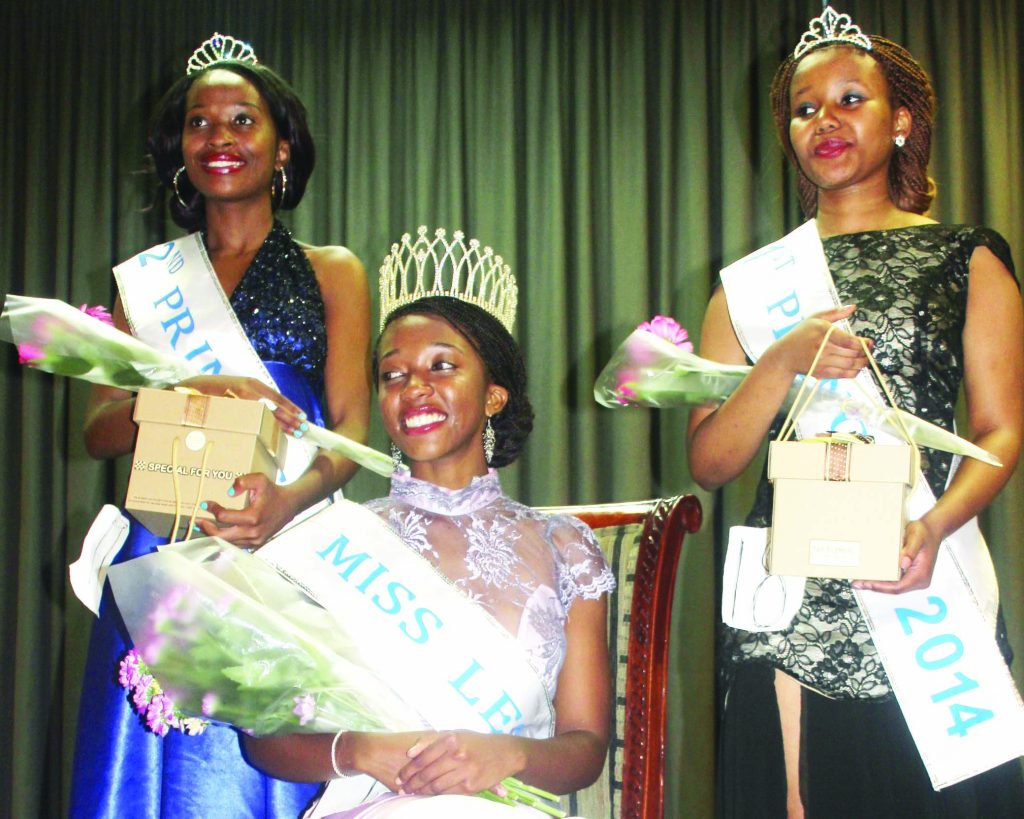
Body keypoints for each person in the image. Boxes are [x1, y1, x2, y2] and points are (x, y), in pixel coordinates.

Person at [687, 7, 1023, 818]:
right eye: (805, 108)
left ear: (901, 120)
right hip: (790, 610)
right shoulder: (752, 286)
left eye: (849, 100)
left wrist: (936, 526)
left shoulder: (964, 256)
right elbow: (710, 461)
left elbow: (1001, 429)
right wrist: (780, 360)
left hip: (922, 585)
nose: (825, 121)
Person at [71, 33, 371, 817]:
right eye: (200, 124)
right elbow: (98, 432)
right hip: (164, 543)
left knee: (266, 753)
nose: (220, 137)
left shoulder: (334, 270)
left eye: (243, 119)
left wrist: (289, 501)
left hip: (285, 536)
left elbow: (350, 432)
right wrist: (189, 387)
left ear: (281, 147)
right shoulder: (146, 283)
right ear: (180, 150)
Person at [242, 231, 615, 817]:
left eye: (442, 366)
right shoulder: (328, 543)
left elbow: (586, 749)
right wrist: (360, 749)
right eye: (393, 375)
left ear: (494, 395)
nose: (415, 388)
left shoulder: (565, 547)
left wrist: (507, 755)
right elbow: (265, 739)